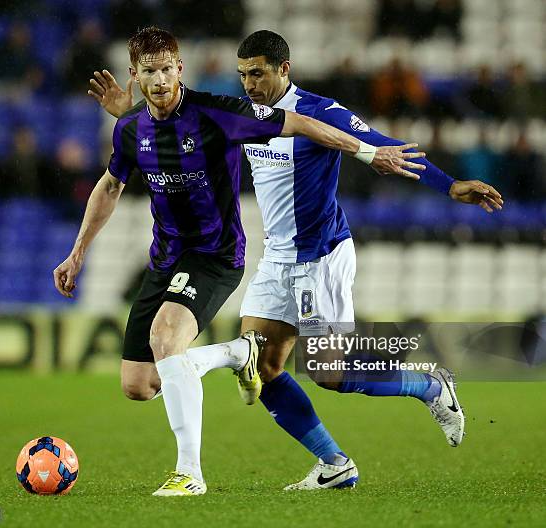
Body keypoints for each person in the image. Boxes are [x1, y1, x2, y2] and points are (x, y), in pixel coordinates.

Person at [90, 29, 503, 491]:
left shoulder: (320, 113)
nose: (249, 84)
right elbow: (182, 128)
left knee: (331, 372)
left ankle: (429, 385)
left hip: (320, 256)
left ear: (283, 70)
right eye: (243, 74)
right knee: (263, 369)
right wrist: (132, 111)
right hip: (277, 257)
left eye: (259, 74)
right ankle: (334, 464)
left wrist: (447, 185)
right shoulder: (248, 116)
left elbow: (384, 146)